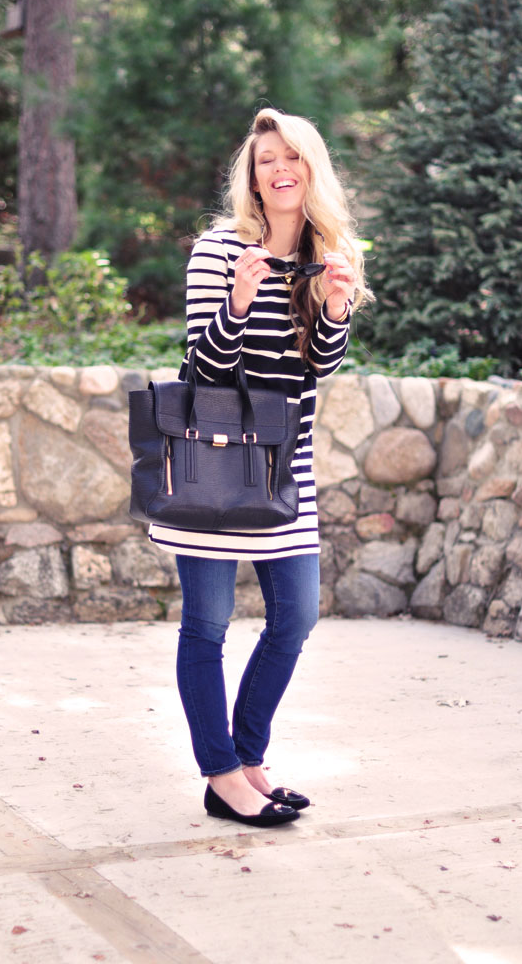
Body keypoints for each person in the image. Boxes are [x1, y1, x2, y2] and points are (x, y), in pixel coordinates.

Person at [149, 108, 367, 827]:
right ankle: (222, 775)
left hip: (285, 467)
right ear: (252, 174)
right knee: (206, 626)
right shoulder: (219, 250)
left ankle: (247, 759)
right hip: (215, 461)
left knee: (296, 617)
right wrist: (238, 302)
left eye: (293, 158)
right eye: (266, 158)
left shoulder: (326, 251)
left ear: (312, 170)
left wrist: (334, 309)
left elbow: (315, 370)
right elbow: (201, 369)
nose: (280, 169)